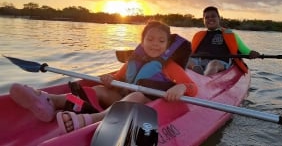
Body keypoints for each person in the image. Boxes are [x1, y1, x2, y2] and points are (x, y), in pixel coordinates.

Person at [10, 20, 198, 133]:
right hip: (121, 98)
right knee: (98, 89)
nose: (154, 44)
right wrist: (110, 79)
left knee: (136, 96)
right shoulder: (135, 59)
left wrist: (181, 87)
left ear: (167, 45)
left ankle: (92, 119)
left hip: (144, 105)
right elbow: (118, 77)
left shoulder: (170, 66)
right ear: (142, 41)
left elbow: (191, 87)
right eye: (150, 39)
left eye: (161, 41)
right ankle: (51, 100)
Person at [187, 6, 260, 75]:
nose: (210, 19)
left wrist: (251, 53)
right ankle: (195, 69)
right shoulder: (198, 35)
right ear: (204, 20)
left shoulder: (229, 34)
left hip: (219, 62)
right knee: (186, 60)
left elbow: (244, 50)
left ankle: (204, 79)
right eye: (207, 17)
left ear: (219, 18)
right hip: (198, 61)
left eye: (213, 16)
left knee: (213, 64)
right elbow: (191, 51)